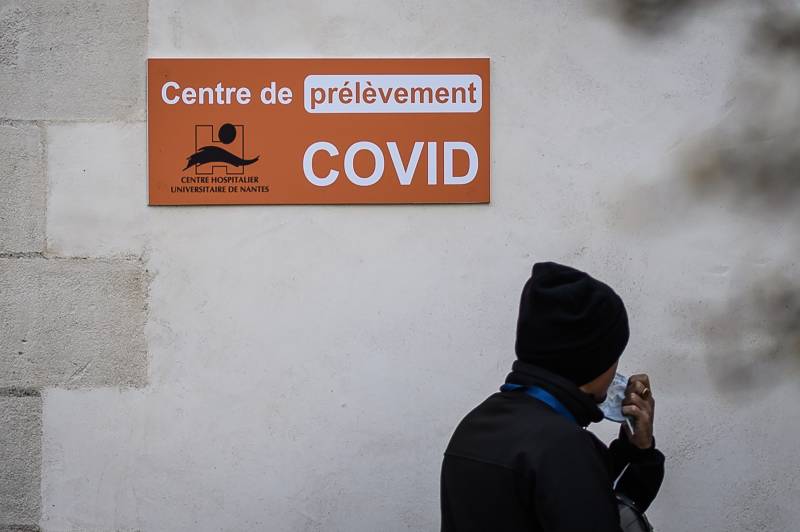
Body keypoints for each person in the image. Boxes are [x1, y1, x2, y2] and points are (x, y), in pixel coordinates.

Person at [440, 261, 665, 531]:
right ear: (592, 359)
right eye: (614, 354)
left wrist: (636, 451)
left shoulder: (476, 424)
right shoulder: (565, 447)